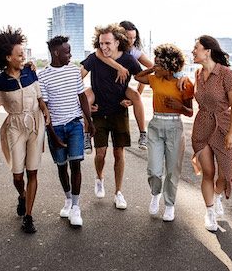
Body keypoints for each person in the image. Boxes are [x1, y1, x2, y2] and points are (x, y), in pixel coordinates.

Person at [0, 27, 51, 234]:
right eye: (20, 54)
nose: (24, 56)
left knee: (32, 171)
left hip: (35, 123)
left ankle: (29, 216)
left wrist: (45, 111)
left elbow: (40, 97)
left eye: (24, 53)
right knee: (17, 175)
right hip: (14, 126)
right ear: (8, 57)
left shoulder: (30, 71)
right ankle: (22, 196)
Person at [80, 24, 142, 209]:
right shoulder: (94, 58)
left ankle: (118, 192)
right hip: (98, 111)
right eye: (101, 43)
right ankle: (99, 178)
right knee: (100, 153)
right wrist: (86, 107)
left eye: (108, 43)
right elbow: (77, 78)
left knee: (118, 153)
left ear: (117, 42)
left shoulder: (129, 60)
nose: (104, 47)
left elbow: (143, 78)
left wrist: (132, 99)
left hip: (119, 111)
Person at [191, 35, 232, 232]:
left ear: (207, 51)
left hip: (224, 126)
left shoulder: (226, 74)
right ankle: (210, 212)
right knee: (208, 172)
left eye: (196, 48)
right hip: (202, 126)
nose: (192, 51)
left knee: (225, 173)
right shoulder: (197, 74)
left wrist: (231, 132)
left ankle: (217, 195)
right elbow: (194, 97)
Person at [38, 36, 94, 227]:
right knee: (62, 166)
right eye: (67, 52)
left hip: (74, 124)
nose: (70, 55)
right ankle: (68, 199)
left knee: (76, 164)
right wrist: (51, 132)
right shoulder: (43, 76)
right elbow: (44, 107)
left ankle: (76, 207)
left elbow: (82, 97)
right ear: (56, 53)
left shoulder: (73, 71)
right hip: (56, 128)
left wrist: (89, 120)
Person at [133, 43, 194, 222]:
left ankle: (169, 205)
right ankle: (155, 194)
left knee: (172, 170)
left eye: (159, 63)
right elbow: (137, 76)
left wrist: (179, 107)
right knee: (154, 169)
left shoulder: (184, 84)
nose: (156, 66)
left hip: (175, 127)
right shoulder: (154, 79)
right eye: (155, 62)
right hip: (156, 126)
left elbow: (190, 112)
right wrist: (152, 68)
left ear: (169, 66)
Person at [84, 21, 153, 152]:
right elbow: (98, 54)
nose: (131, 41)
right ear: (120, 36)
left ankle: (143, 133)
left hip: (122, 86)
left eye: (134, 38)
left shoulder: (133, 53)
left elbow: (142, 75)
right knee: (86, 97)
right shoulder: (103, 48)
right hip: (103, 86)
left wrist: (134, 99)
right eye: (128, 37)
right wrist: (119, 67)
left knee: (136, 95)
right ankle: (86, 134)